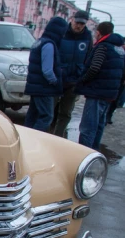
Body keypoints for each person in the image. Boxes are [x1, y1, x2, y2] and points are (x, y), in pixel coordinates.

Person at [76, 22, 125, 150]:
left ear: (98, 32)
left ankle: (83, 155)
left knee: (88, 128)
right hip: (109, 94)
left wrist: (83, 80)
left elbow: (95, 67)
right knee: (98, 126)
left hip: (96, 92)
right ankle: (94, 153)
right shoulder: (119, 49)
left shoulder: (103, 47)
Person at [51, 10, 93, 138]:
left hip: (74, 81)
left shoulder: (87, 37)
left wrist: (82, 77)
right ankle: (45, 135)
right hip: (57, 79)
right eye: (77, 22)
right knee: (49, 111)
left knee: (66, 113)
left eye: (82, 23)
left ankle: (58, 136)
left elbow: (88, 58)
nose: (78, 25)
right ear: (72, 19)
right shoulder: (62, 33)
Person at [23, 17, 68, 132]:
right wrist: (55, 81)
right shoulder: (49, 45)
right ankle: (36, 140)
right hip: (44, 87)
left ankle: (26, 138)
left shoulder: (39, 42)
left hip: (36, 86)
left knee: (32, 115)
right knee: (46, 116)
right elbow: (47, 70)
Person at [106, 44, 125, 124]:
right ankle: (106, 115)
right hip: (113, 78)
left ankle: (109, 115)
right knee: (108, 98)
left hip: (121, 80)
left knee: (116, 99)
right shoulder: (118, 52)